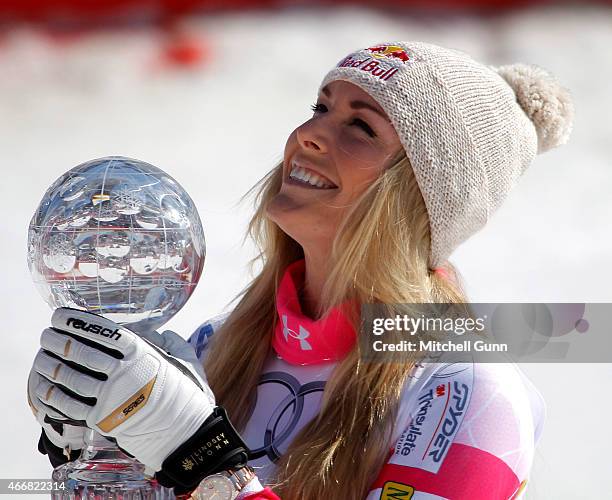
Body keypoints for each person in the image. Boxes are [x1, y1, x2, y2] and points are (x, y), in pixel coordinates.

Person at [28, 41, 573, 499]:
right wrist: (96, 459)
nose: (308, 136)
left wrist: (197, 454)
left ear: (420, 197)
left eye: (361, 126)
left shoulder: (467, 391)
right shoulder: (215, 347)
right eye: (320, 107)